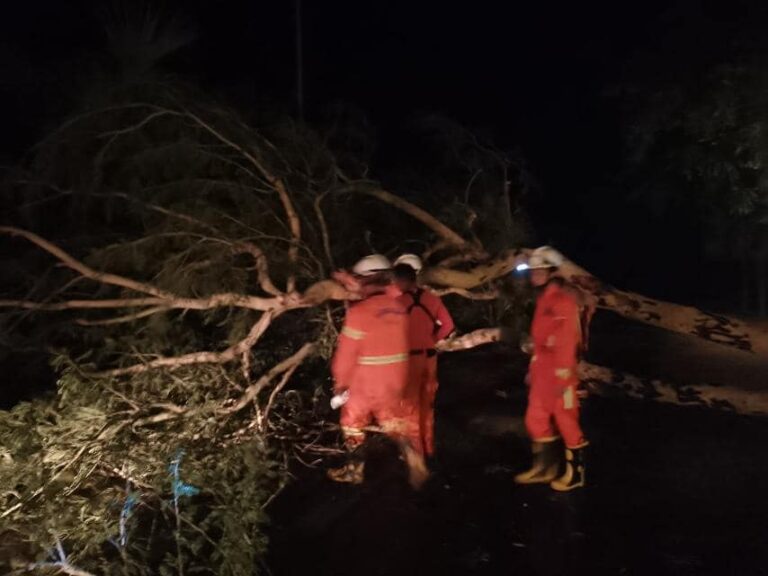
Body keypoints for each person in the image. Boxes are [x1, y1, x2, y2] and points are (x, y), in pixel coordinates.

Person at [327, 254, 428, 488]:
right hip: (395, 378)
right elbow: (379, 290)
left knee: (352, 422)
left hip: (366, 381)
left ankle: (354, 470)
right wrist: (348, 280)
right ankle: (413, 457)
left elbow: (345, 357)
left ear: (367, 281)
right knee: (393, 421)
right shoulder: (397, 307)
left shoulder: (359, 313)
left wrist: (340, 384)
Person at [514, 246, 588, 491]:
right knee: (535, 418)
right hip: (542, 371)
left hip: (560, 373)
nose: (534, 274)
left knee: (567, 420)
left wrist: (563, 376)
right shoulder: (544, 299)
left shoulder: (563, 300)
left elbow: (568, 339)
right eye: (533, 270)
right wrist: (532, 367)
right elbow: (541, 339)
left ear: (552, 272)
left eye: (540, 270)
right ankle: (544, 468)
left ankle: (575, 474)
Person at [392, 253, 455, 459]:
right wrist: (432, 339)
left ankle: (415, 453)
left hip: (409, 361)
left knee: (410, 408)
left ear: (401, 281)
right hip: (430, 358)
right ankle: (429, 448)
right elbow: (448, 325)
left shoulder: (398, 303)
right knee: (427, 405)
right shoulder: (432, 299)